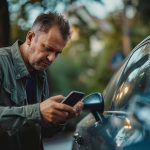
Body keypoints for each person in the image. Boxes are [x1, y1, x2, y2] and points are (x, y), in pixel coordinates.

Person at [0, 12, 83, 150]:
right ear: (31, 37)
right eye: (48, 49)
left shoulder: (41, 75)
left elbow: (43, 132)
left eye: (57, 53)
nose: (52, 59)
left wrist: (60, 116)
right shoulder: (2, 62)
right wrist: (37, 112)